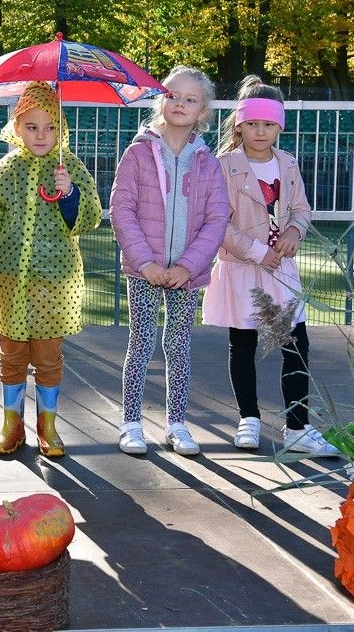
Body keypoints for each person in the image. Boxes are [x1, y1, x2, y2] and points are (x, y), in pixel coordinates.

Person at [202, 75, 340, 456]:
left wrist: (296, 230)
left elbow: (300, 208)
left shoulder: (288, 163)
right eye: (252, 124)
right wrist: (257, 251)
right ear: (239, 125)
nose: (260, 132)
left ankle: (298, 426)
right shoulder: (223, 166)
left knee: (296, 344)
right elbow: (217, 222)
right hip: (242, 268)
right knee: (242, 344)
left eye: (268, 124)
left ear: (279, 125)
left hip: (281, 271)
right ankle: (249, 419)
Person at [0, 81, 102, 457]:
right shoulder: (5, 171)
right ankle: (12, 426)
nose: (41, 135)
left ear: (61, 128)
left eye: (50, 127)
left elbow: (89, 218)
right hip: (10, 280)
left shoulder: (70, 167)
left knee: (47, 356)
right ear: (17, 128)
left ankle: (49, 426)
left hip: (54, 283)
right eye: (32, 127)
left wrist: (70, 194)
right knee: (11, 355)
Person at [109, 66, 229, 457]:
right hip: (144, 271)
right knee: (140, 341)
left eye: (190, 99)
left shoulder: (208, 163)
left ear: (203, 111)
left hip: (186, 277)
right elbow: (122, 209)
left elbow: (216, 220)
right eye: (172, 95)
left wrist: (186, 268)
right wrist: (145, 263)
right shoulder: (139, 152)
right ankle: (131, 422)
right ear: (161, 99)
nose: (180, 103)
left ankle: (176, 422)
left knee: (178, 345)